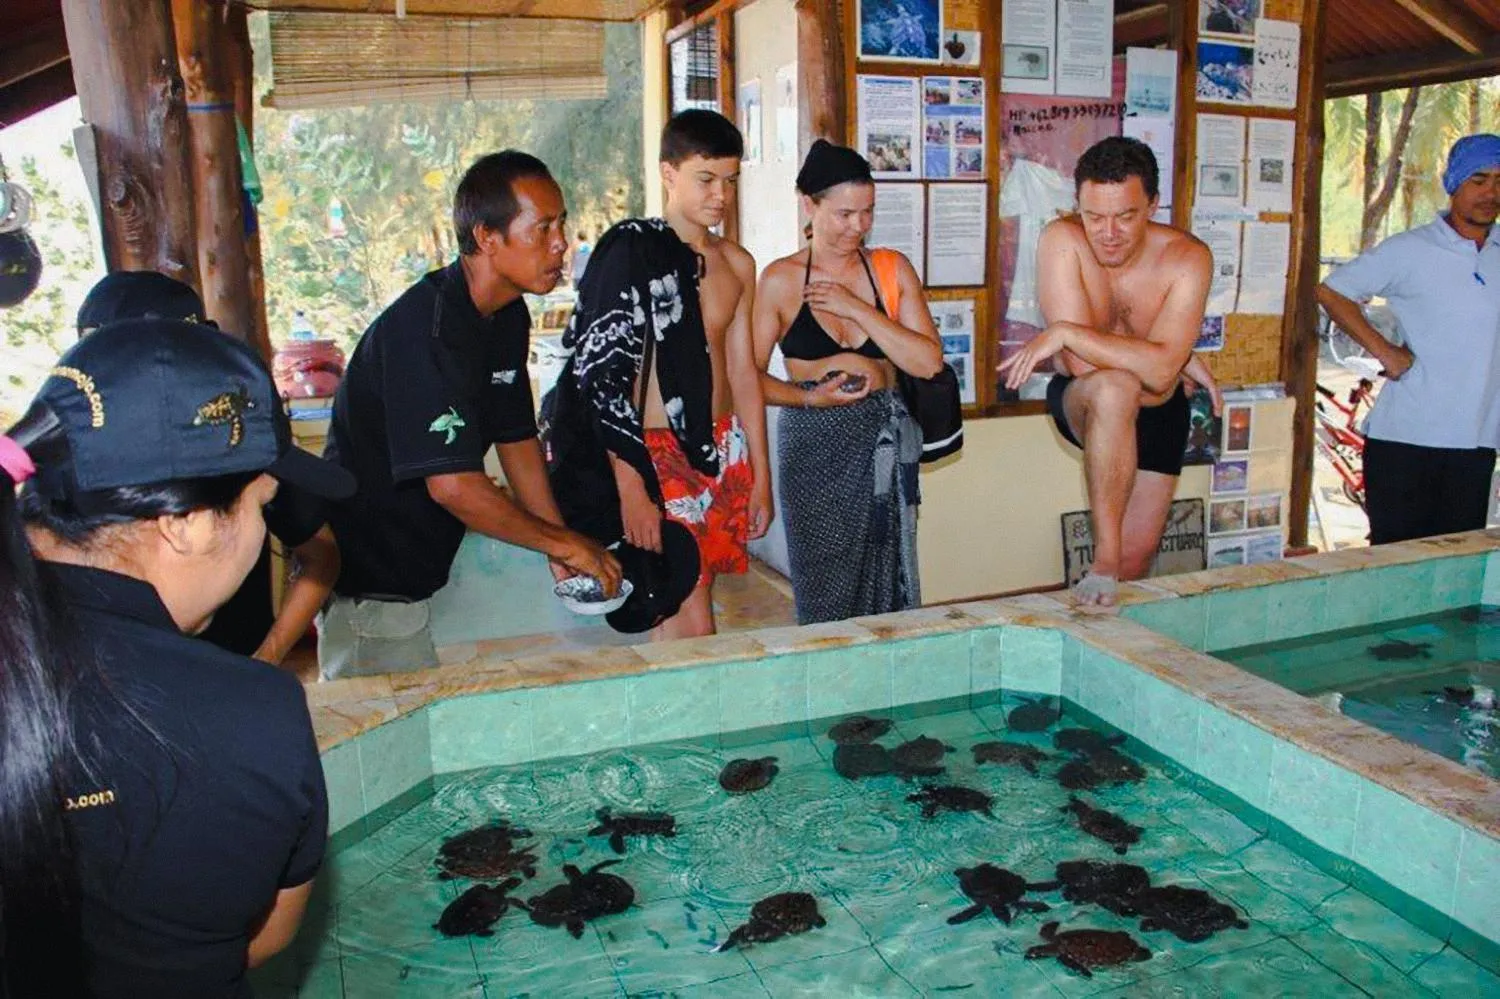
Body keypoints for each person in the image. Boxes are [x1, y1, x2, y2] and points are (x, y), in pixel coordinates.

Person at [0, 318, 353, 997]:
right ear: (183, 523)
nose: (263, 536)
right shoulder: (251, 713)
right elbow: (267, 936)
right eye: (263, 506)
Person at [322, 151, 620, 678]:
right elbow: (454, 487)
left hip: (420, 572)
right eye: (543, 227)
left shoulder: (505, 315)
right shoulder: (425, 333)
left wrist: (560, 548)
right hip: (371, 590)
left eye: (563, 225)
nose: (561, 244)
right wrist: (567, 542)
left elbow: (516, 437)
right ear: (487, 237)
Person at [548, 110, 770, 640]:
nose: (720, 194)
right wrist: (631, 488)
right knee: (682, 601)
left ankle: (688, 714)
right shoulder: (633, 253)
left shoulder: (738, 264)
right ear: (669, 172)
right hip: (654, 452)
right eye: (706, 178)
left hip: (721, 447)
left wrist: (761, 472)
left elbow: (743, 372)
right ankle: (698, 713)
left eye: (731, 180)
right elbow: (604, 381)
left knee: (698, 593)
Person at [75, 270, 342, 666]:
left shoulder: (239, 431)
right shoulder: (69, 476)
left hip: (233, 671)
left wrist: (265, 659)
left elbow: (322, 555)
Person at [1000, 136, 1216, 610]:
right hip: (1086, 397)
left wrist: (1069, 334)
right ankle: (1102, 560)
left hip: (1162, 412)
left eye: (1126, 216)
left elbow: (1161, 377)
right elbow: (1082, 368)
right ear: (1077, 206)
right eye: (1094, 217)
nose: (1108, 233)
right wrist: (1161, 353)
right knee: (1115, 386)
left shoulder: (1188, 258)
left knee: (1135, 566)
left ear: (1153, 206)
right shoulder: (1062, 240)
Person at [752, 139, 943, 625]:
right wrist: (809, 398)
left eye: (867, 212)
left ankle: (887, 695)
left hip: (881, 440)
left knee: (890, 587)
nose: (857, 226)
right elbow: (744, 380)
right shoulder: (780, 281)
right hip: (813, 445)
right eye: (843, 214)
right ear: (809, 205)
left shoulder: (890, 270)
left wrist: (856, 308)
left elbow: (927, 362)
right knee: (824, 592)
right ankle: (832, 695)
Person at [1317, 133, 1500, 544]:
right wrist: (1385, 351)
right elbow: (1332, 291)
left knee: (1455, 575)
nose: (1491, 192)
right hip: (1405, 441)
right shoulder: (1410, 249)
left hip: (1476, 444)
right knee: (1395, 571)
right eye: (1479, 179)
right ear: (1454, 183)